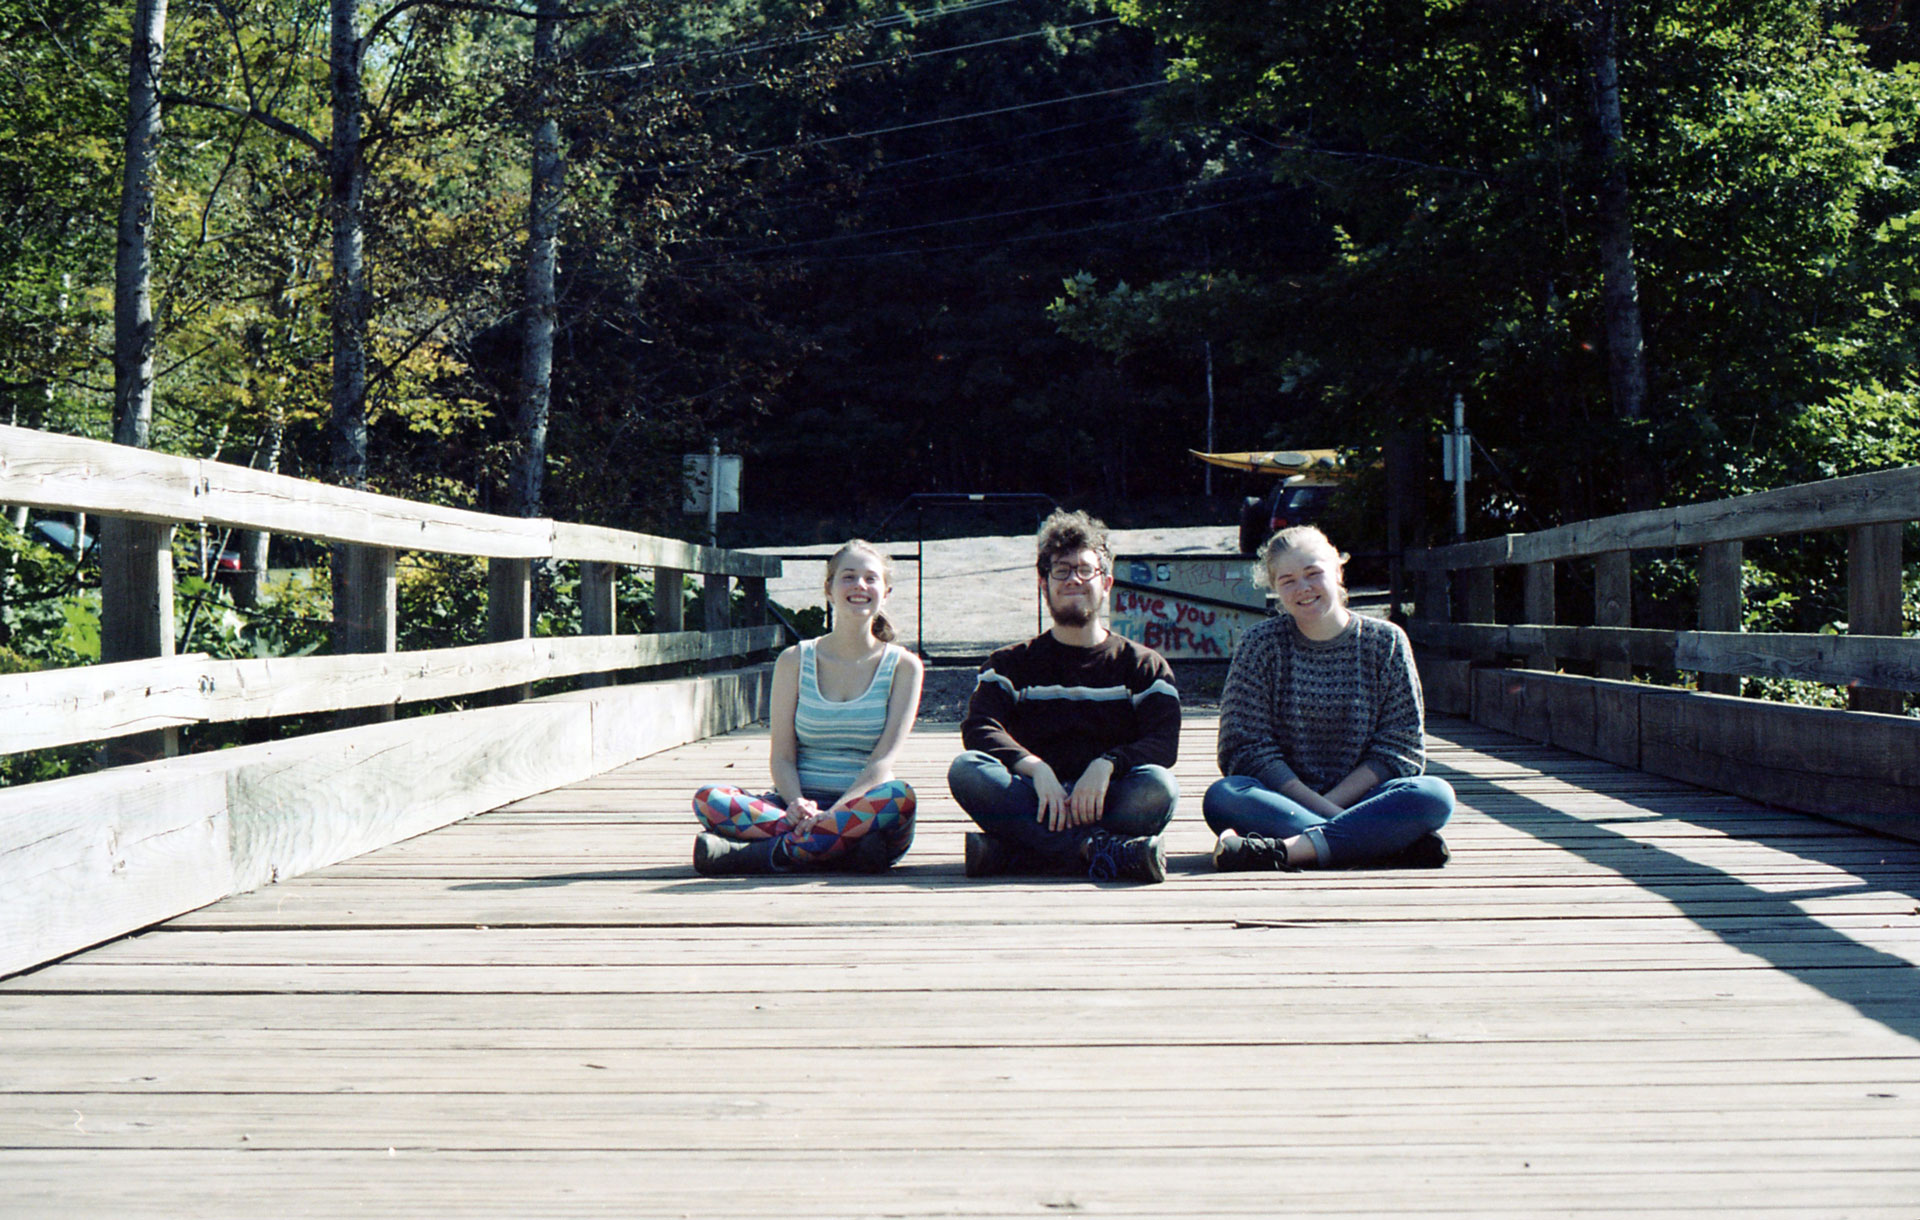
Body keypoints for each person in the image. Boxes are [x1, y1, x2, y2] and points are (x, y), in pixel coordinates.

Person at [948, 509, 1180, 883]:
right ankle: (1097, 850)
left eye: (1085, 570)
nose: (1074, 579)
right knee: (968, 770)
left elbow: (1163, 744)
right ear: (1043, 584)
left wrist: (1106, 764)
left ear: (1106, 582)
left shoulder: (1144, 666)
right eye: (1061, 570)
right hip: (1033, 798)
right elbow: (979, 728)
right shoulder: (1008, 664)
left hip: (1110, 798)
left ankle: (1018, 852)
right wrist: (1037, 769)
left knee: (1158, 788)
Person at [1205, 525, 1454, 872]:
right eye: (1287, 580)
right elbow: (1245, 748)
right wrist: (1333, 816)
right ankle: (1381, 845)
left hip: (1365, 800)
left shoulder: (1387, 642)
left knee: (1435, 795)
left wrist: (1334, 804)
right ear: (1275, 588)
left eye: (1313, 573)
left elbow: (1400, 747)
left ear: (1338, 570)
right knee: (1224, 796)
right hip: (1281, 802)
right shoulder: (1259, 645)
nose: (1303, 588)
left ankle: (1285, 850)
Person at [692, 540, 924, 875]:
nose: (860, 585)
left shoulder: (905, 666)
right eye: (848, 577)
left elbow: (882, 762)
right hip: (793, 807)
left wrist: (837, 813)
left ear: (885, 592)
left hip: (863, 808)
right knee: (708, 798)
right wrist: (796, 805)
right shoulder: (795, 661)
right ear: (828, 589)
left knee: (901, 796)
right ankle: (837, 849)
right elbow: (782, 756)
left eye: (871, 578)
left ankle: (763, 854)